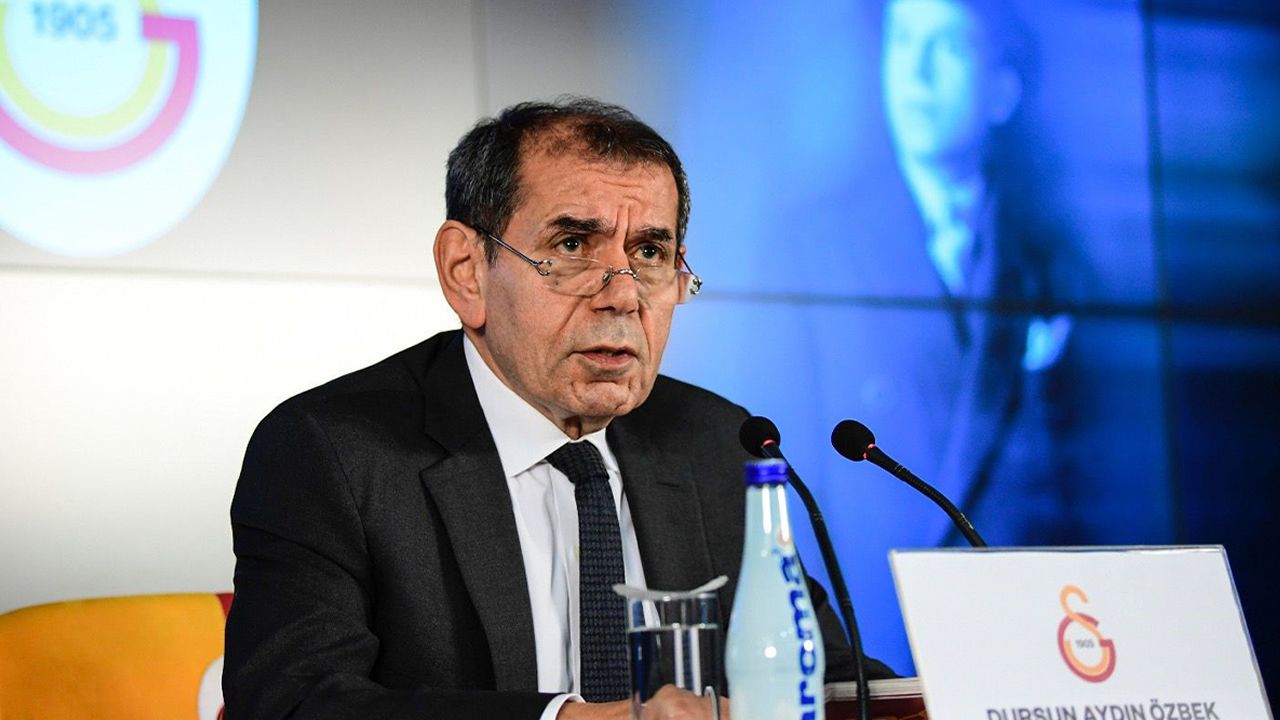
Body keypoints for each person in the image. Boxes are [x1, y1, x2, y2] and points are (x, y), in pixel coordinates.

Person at [223, 98, 892, 720]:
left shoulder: (716, 442)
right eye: (572, 246)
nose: (622, 296)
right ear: (466, 270)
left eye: (649, 253)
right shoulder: (331, 451)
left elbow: (828, 682)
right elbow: (292, 702)